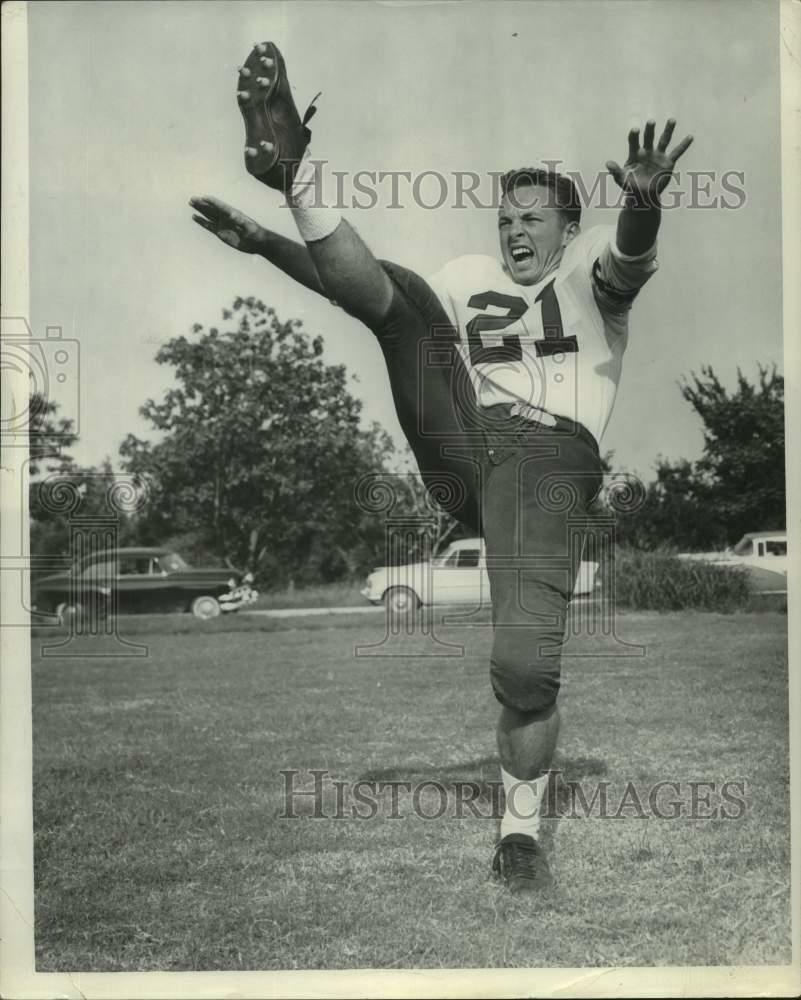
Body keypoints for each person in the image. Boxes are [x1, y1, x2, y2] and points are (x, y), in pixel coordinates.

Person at [189, 41, 693, 891]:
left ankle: (520, 837)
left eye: (532, 219)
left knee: (527, 669)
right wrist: (269, 241)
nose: (514, 231)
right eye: (505, 219)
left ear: (568, 227)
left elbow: (629, 257)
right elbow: (357, 288)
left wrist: (642, 203)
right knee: (413, 305)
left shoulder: (589, 273)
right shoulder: (470, 276)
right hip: (464, 442)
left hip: (546, 461)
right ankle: (292, 168)